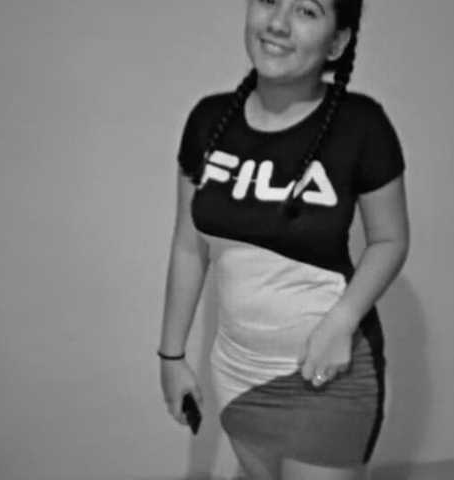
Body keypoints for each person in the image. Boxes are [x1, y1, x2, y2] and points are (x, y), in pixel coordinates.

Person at [158, 0, 409, 478]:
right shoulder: (208, 121)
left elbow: (390, 239)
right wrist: (171, 355)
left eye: (306, 11)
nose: (277, 23)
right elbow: (189, 245)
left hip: (327, 370)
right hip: (237, 371)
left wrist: (342, 322)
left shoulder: (361, 125)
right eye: (270, 0)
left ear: (337, 42)